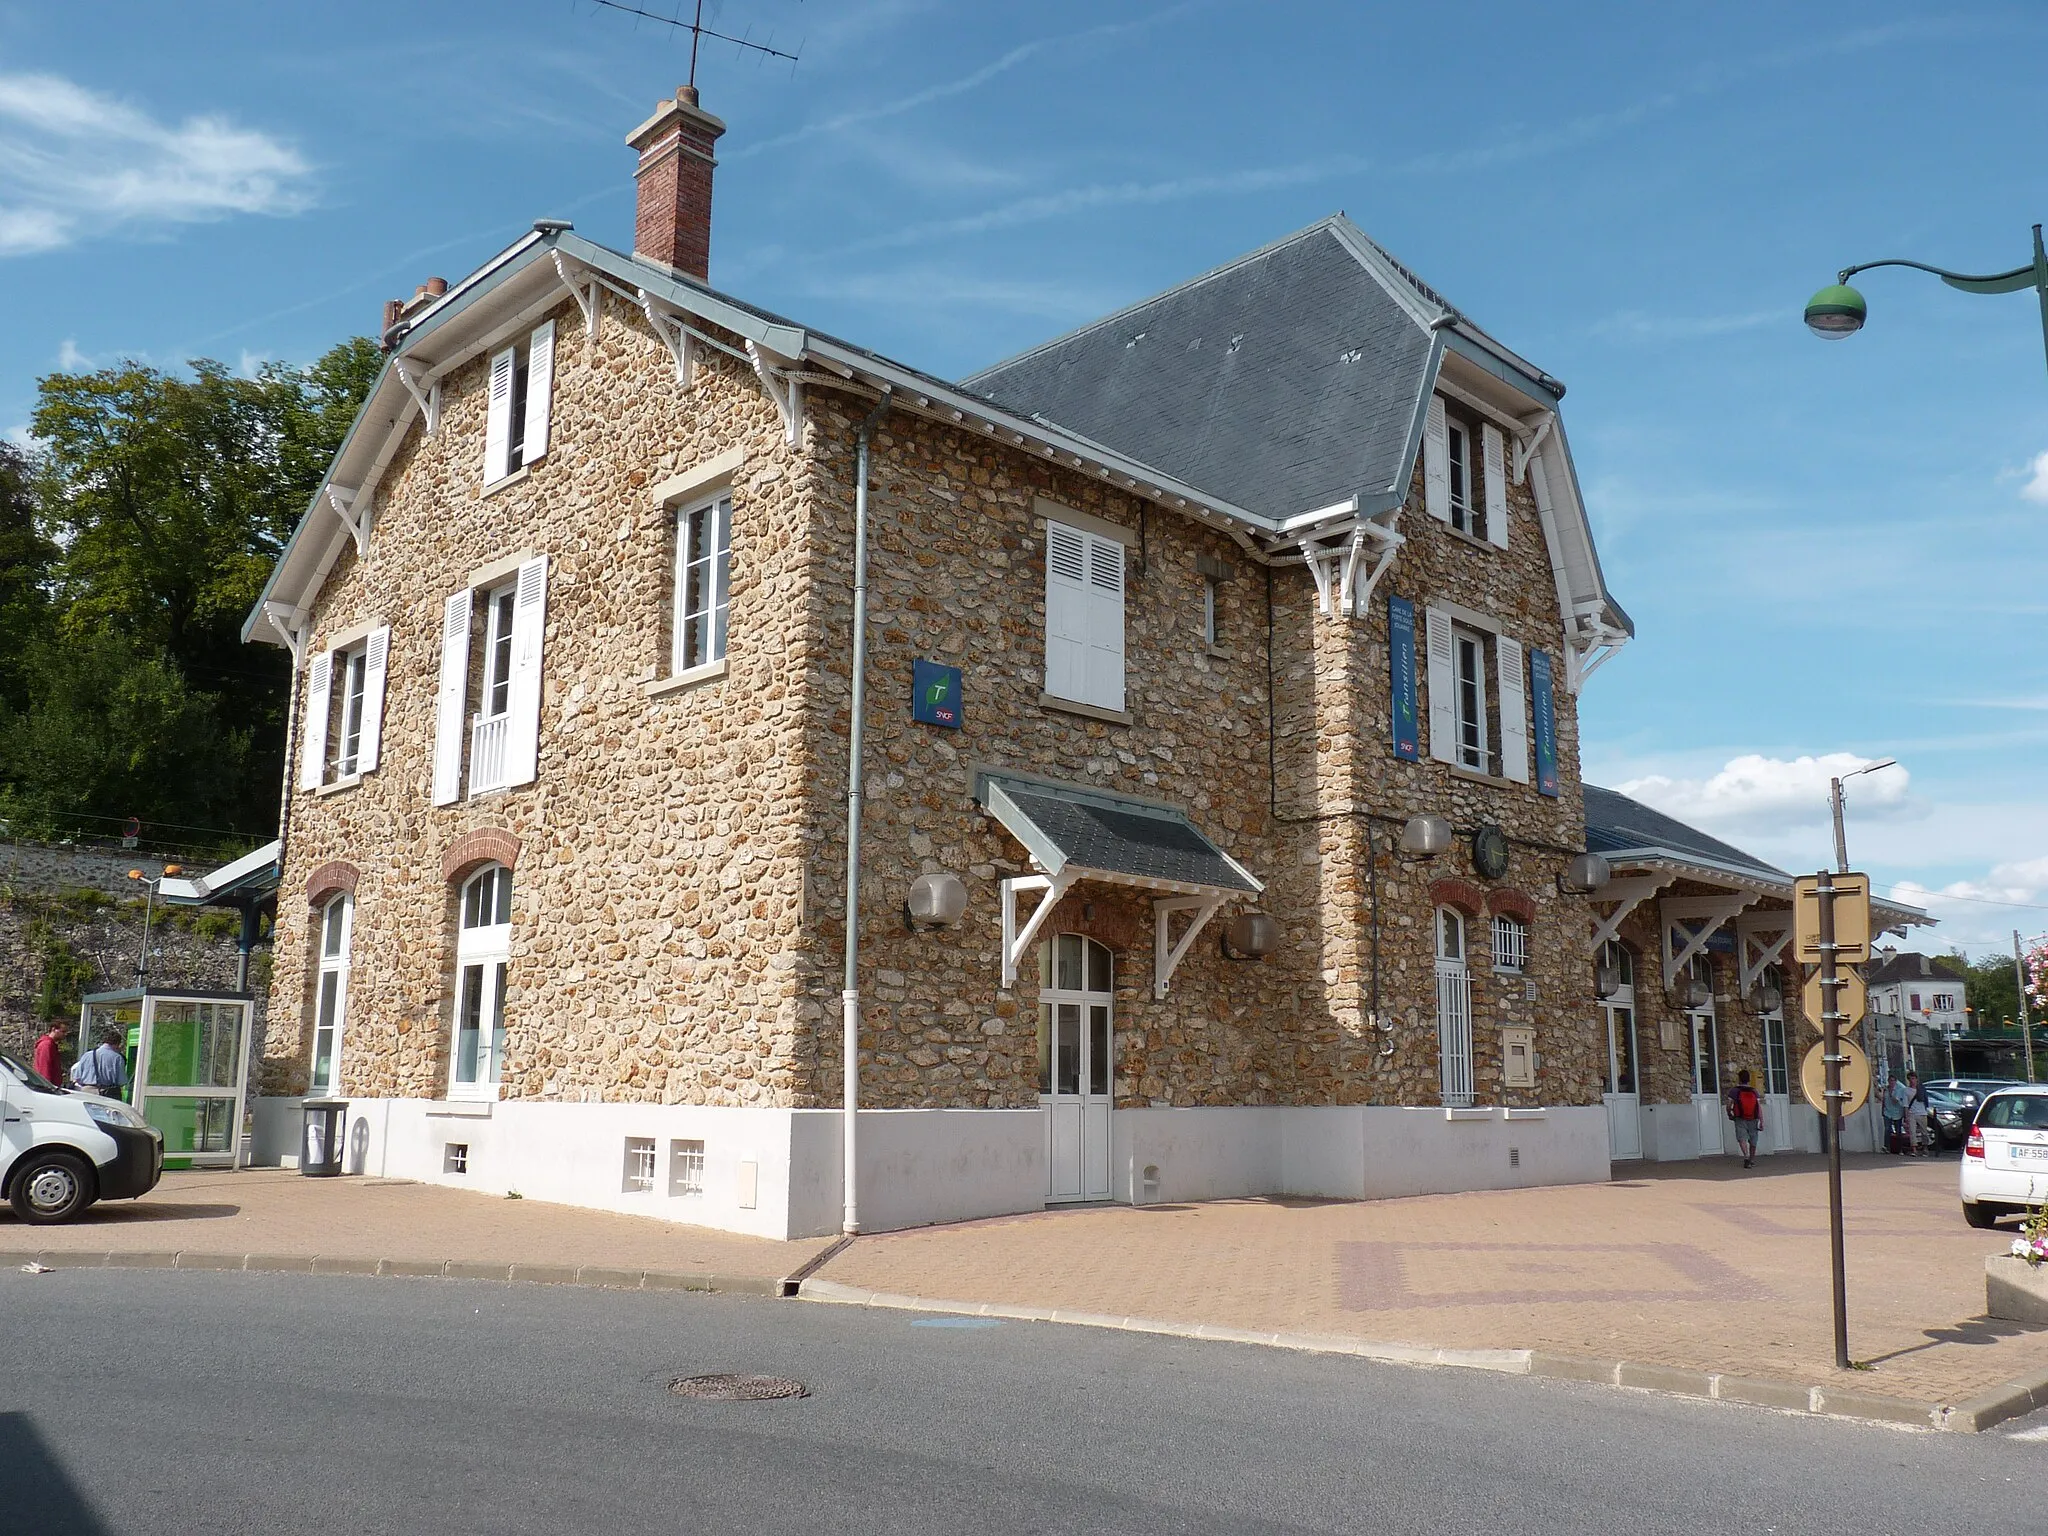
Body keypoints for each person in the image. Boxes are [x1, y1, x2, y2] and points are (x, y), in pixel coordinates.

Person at [70, 1028, 130, 1100]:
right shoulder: (117, 1058)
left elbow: (77, 1077)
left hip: (87, 1092)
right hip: (108, 1093)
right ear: (117, 1044)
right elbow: (121, 1081)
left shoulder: (87, 1055)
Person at [1725, 1069, 1763, 1169]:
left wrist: (1729, 1114)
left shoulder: (1734, 1091)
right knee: (1753, 1140)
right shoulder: (1754, 1091)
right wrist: (1761, 1121)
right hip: (1753, 1118)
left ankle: (1746, 1156)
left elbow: (1728, 1105)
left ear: (1739, 1079)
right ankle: (1752, 1160)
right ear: (1749, 1079)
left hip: (1740, 1118)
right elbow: (1759, 1108)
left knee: (1742, 1138)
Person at [31, 1021, 69, 1086]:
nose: (65, 1034)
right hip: (46, 1086)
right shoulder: (47, 1045)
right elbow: (44, 1067)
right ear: (53, 1029)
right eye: (63, 1031)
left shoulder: (51, 1045)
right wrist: (47, 1087)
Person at [1883, 1071, 1912, 1155]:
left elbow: (1896, 1101)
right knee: (1887, 1129)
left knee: (1898, 1131)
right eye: (1890, 1081)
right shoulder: (1886, 1089)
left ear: (1895, 1081)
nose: (1891, 1082)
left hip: (1897, 1112)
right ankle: (1887, 1147)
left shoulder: (1900, 1089)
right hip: (1887, 1112)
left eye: (1893, 1081)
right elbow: (1883, 1100)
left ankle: (1900, 1149)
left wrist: (1892, 1093)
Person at [1906, 1072, 1930, 1157]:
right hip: (1912, 1113)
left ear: (1916, 1079)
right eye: (1910, 1079)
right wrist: (1906, 1115)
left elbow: (1926, 1100)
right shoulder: (1907, 1090)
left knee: (1924, 1132)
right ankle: (1914, 1149)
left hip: (1922, 1112)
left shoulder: (1921, 1088)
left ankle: (1925, 1148)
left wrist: (1926, 1109)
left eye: (1913, 1078)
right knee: (1912, 1132)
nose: (1912, 1081)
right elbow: (1906, 1104)